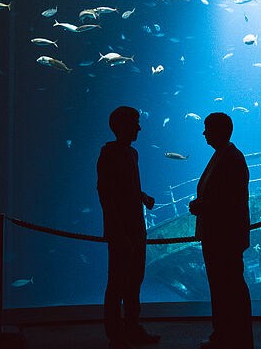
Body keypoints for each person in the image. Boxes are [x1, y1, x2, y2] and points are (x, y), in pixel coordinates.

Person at [97, 106, 160, 349]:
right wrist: (118, 232)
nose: (139, 127)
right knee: (117, 283)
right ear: (121, 126)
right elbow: (106, 194)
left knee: (135, 281)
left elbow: (126, 186)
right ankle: (115, 335)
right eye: (135, 122)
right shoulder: (108, 153)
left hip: (137, 227)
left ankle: (132, 327)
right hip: (121, 230)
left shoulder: (132, 153)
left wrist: (142, 196)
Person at [189, 112, 253, 349]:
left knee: (230, 287)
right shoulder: (222, 155)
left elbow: (230, 201)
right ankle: (224, 333)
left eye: (207, 128)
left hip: (225, 238)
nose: (204, 132)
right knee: (221, 287)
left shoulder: (232, 158)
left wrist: (202, 205)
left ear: (220, 130)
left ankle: (235, 337)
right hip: (217, 236)